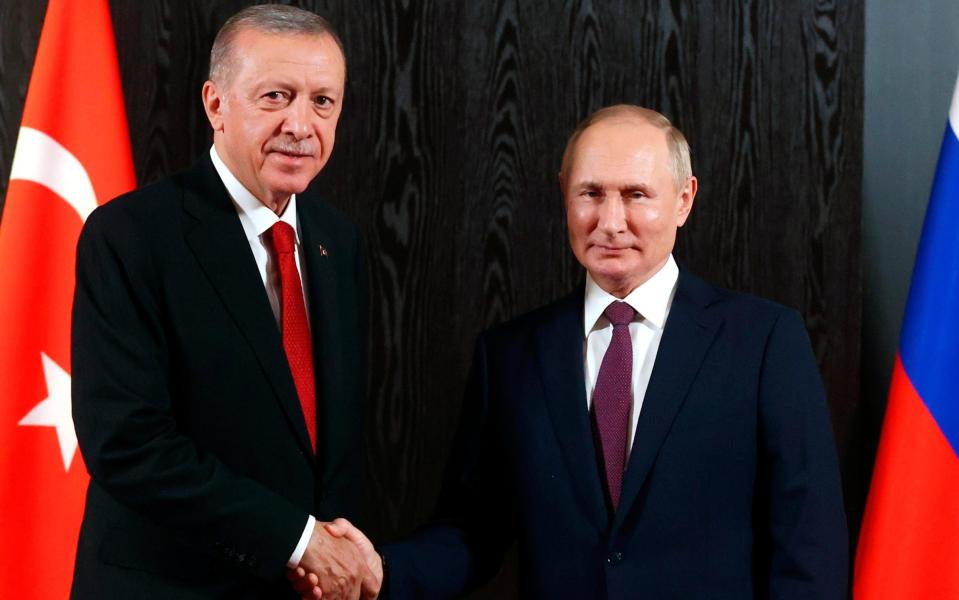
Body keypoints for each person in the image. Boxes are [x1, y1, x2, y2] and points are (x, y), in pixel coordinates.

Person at [322, 105, 848, 599]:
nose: (611, 221)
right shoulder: (510, 356)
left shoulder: (764, 340)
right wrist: (379, 573)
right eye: (590, 193)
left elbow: (808, 543)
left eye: (636, 194)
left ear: (684, 199)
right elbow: (473, 531)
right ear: (563, 195)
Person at [70, 5, 376, 599]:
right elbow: (127, 444)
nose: (301, 124)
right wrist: (298, 542)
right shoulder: (129, 235)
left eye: (322, 102)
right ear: (216, 105)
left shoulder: (338, 242)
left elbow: (326, 443)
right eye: (275, 96)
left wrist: (331, 555)